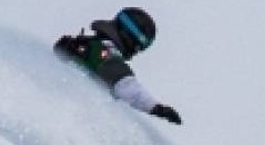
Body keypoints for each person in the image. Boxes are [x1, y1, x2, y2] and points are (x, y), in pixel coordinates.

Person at [53, 7, 182, 124]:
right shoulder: (106, 51)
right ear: (128, 36)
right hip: (72, 115)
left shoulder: (90, 44)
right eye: (137, 46)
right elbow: (126, 86)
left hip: (62, 106)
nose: (135, 52)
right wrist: (158, 109)